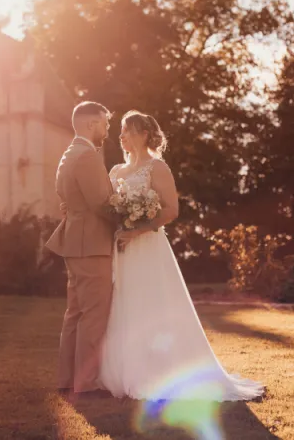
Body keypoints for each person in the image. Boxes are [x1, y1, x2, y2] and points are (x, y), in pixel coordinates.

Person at [98, 110, 266, 402]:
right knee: (121, 304)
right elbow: (105, 208)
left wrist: (136, 229)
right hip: (119, 248)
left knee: (151, 304)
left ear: (144, 134)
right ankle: (121, 370)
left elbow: (171, 210)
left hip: (147, 247)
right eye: (121, 131)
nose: (121, 136)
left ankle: (158, 371)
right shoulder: (114, 171)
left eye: (127, 130)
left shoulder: (157, 168)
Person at [45, 101, 115, 399]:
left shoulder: (69, 153)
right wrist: (132, 219)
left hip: (76, 241)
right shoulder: (87, 156)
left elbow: (70, 198)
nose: (107, 129)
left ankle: (67, 379)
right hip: (91, 243)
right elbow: (101, 202)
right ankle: (86, 383)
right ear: (90, 124)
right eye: (104, 123)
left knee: (75, 312)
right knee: (93, 313)